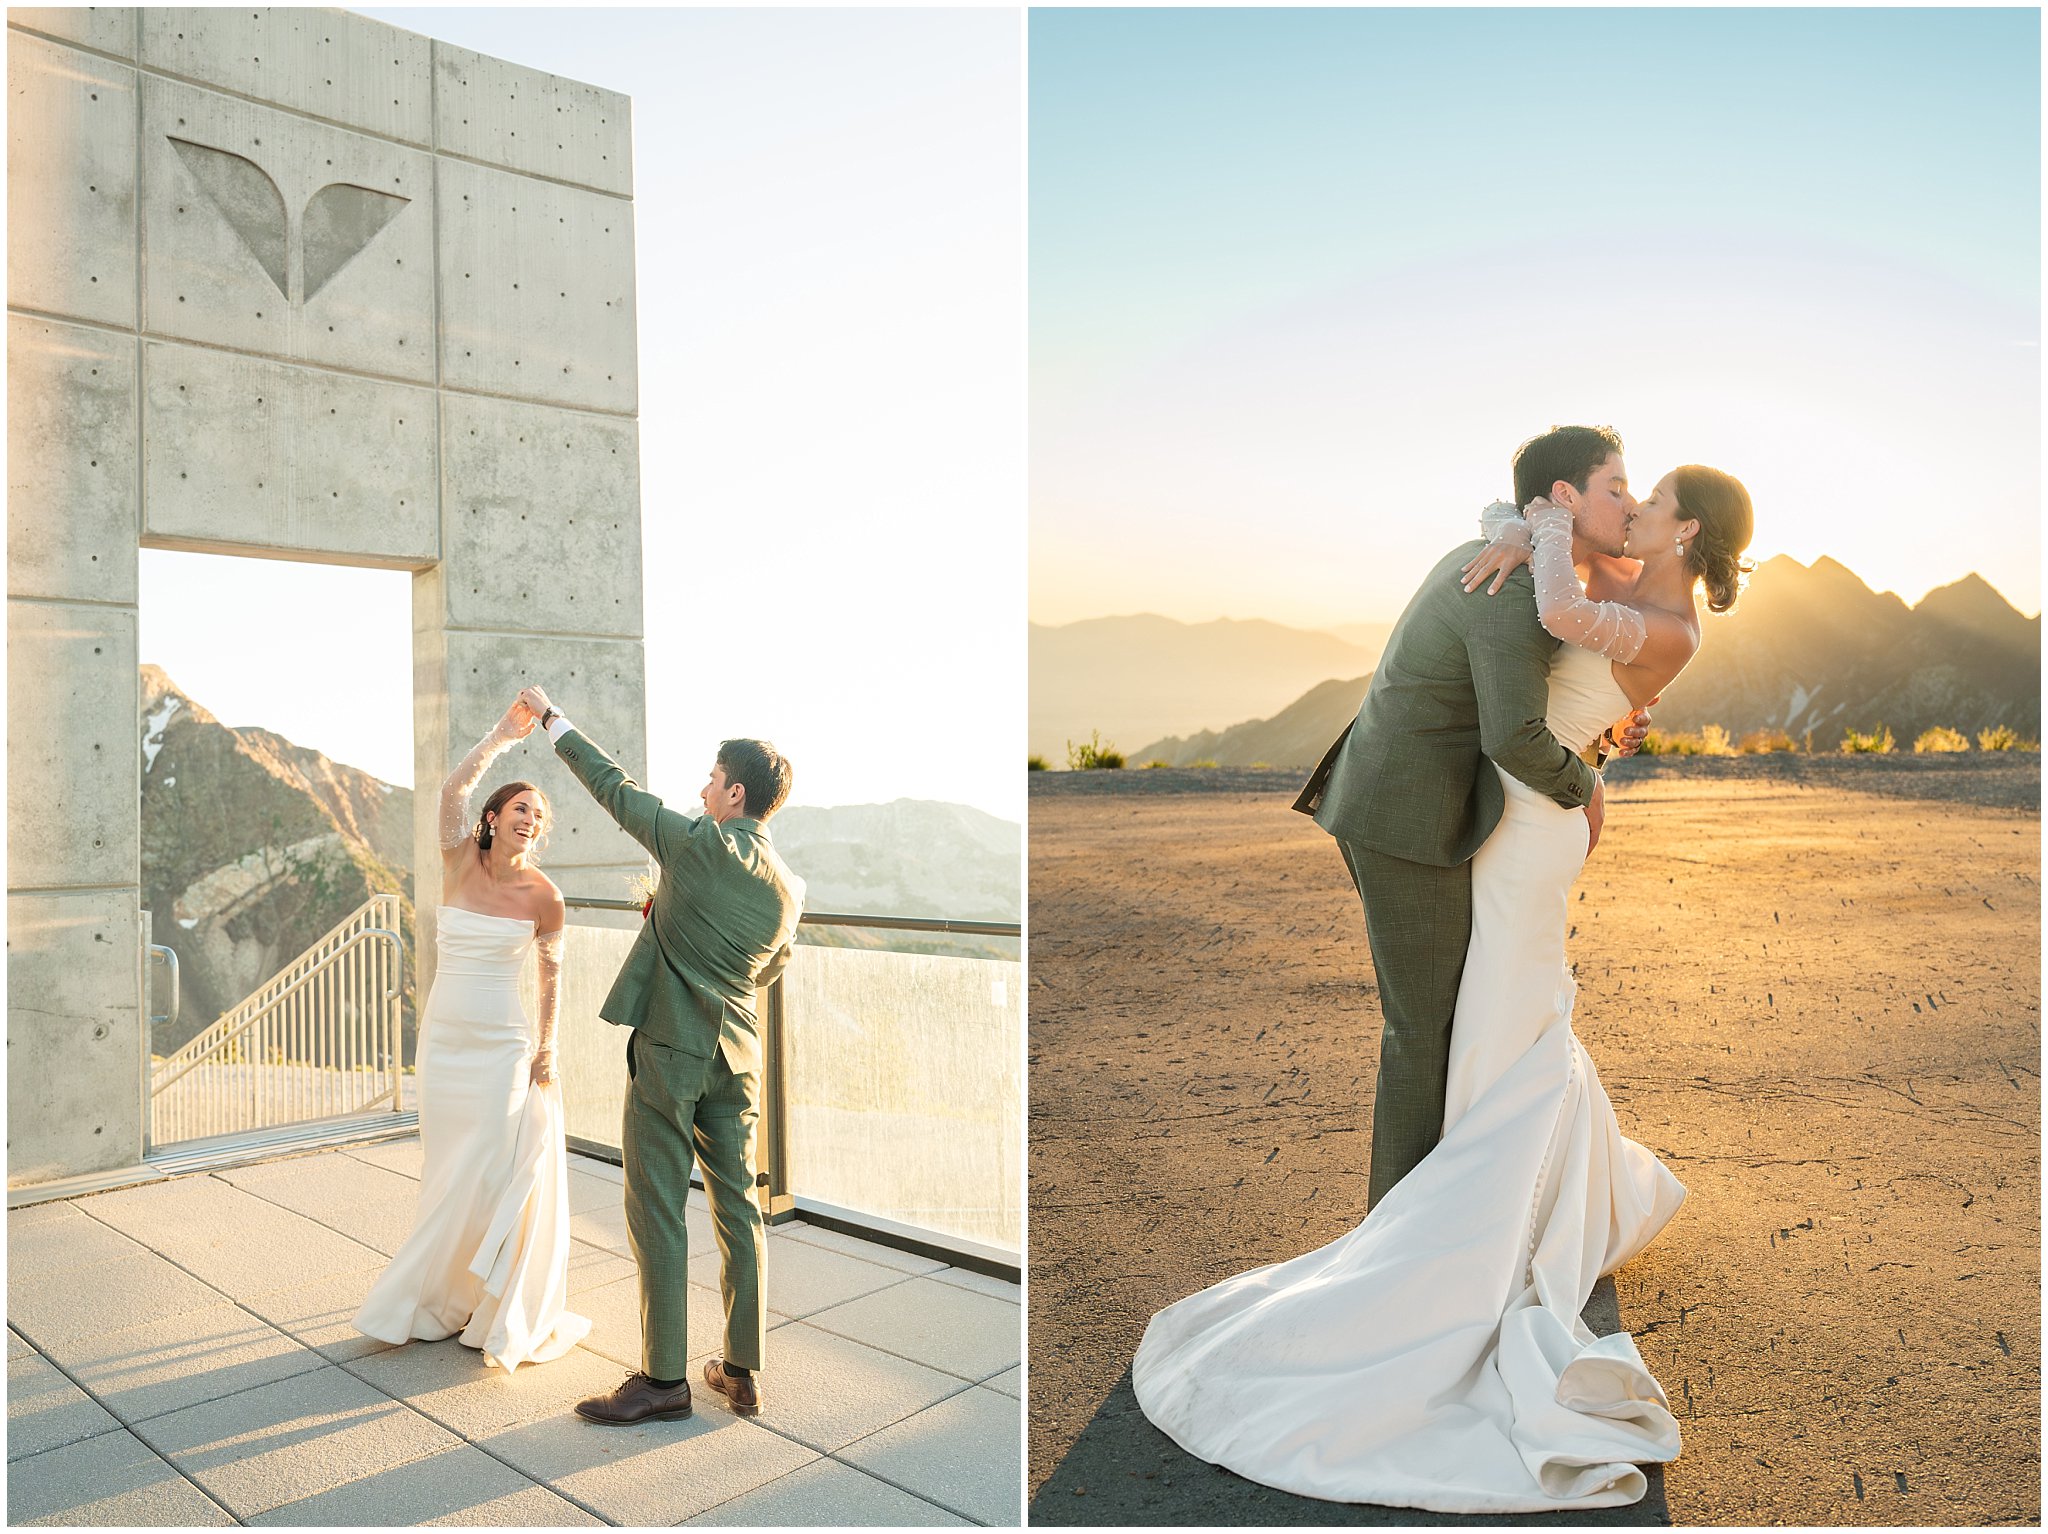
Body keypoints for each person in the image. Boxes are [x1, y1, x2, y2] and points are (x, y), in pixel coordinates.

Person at [1130, 428, 1756, 1512]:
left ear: (1683, 527)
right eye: (1619, 489)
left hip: (1528, 813)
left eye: (1642, 495)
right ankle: (1511, 1201)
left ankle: (1429, 1238)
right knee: (1498, 1019)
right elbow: (1557, 609)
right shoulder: (1580, 568)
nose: (1632, 503)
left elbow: (1552, 657)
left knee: (1477, 1020)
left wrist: (1539, 536)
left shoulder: (1635, 605)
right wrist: (1524, 527)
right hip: (1503, 814)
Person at [514, 685, 804, 1425]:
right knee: (740, 1209)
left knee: (658, 1210)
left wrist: (553, 720)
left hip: (672, 1051)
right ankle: (741, 1370)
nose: (702, 787)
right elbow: (772, 968)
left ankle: (663, 1379)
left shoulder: (697, 842)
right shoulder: (789, 887)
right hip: (737, 1058)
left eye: (711, 778)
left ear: (735, 792)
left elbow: (615, 788)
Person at [353, 699, 590, 1372]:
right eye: (521, 808)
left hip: (502, 1047)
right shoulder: (458, 860)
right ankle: (444, 1301)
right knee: (446, 1171)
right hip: (445, 1042)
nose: (531, 819)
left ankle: (490, 1303)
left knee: (486, 1169)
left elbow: (550, 981)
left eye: (540, 815)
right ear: (493, 817)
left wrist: (548, 1047)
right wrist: (501, 738)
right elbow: (452, 788)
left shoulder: (546, 897)